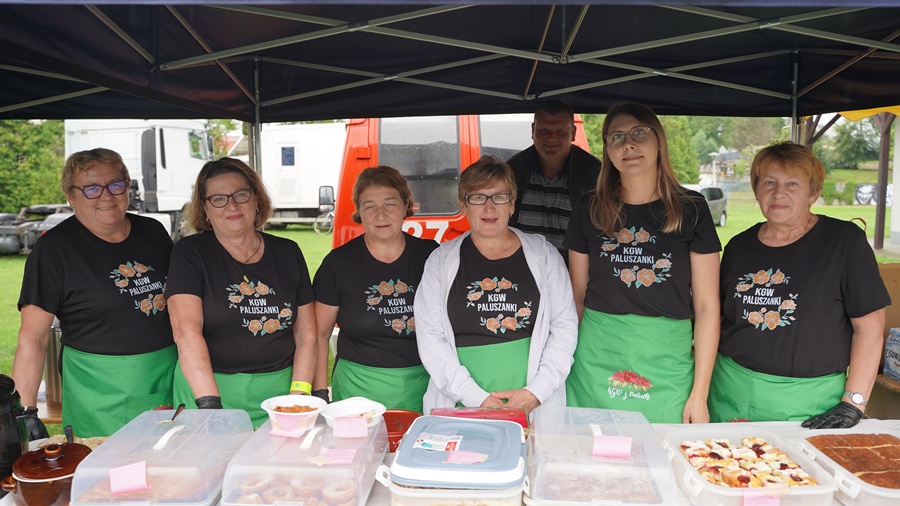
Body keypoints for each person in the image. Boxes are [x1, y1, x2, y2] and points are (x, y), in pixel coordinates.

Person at [711, 142, 890, 428]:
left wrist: (853, 403)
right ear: (756, 191)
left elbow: (869, 328)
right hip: (730, 394)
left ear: (813, 193)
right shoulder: (738, 247)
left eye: (792, 183)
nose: (778, 193)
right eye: (768, 182)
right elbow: (718, 317)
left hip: (811, 405)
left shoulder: (844, 242)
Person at [564, 102, 721, 423]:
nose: (629, 145)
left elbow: (707, 307)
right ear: (607, 150)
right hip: (595, 358)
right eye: (617, 137)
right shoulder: (588, 208)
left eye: (639, 133)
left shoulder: (692, 209)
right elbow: (577, 298)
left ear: (659, 140)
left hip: (668, 361)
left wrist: (699, 394)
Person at [13, 148, 175, 437]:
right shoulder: (54, 250)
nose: (106, 196)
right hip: (98, 393)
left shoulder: (153, 232)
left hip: (166, 379)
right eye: (91, 188)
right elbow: (32, 337)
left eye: (115, 184)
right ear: (70, 195)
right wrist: (25, 412)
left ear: (127, 186)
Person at [415, 156, 578, 415]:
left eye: (499, 197)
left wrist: (536, 392)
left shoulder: (544, 256)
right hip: (460, 405)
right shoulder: (440, 262)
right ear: (463, 204)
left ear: (512, 204)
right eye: (478, 197)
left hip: (533, 407)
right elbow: (430, 337)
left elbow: (564, 327)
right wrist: (475, 397)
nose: (489, 207)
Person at [167, 157, 317, 427]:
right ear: (205, 208)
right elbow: (186, 332)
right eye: (218, 199)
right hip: (208, 391)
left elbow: (306, 334)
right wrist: (210, 405)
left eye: (241, 194)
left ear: (256, 199)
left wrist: (298, 396)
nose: (232, 205)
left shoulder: (288, 252)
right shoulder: (190, 253)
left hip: (279, 395)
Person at [313, 167, 438, 413]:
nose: (381, 215)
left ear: (406, 205)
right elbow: (319, 335)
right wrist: (319, 394)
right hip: (356, 392)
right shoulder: (338, 263)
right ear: (359, 212)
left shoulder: (431, 255)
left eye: (390, 204)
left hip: (424, 389)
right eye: (369, 206)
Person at [507, 100, 601, 258]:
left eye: (560, 132)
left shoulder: (595, 173)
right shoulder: (512, 172)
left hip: (576, 269)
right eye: (544, 131)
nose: (551, 137)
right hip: (523, 266)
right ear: (533, 130)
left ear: (573, 133)